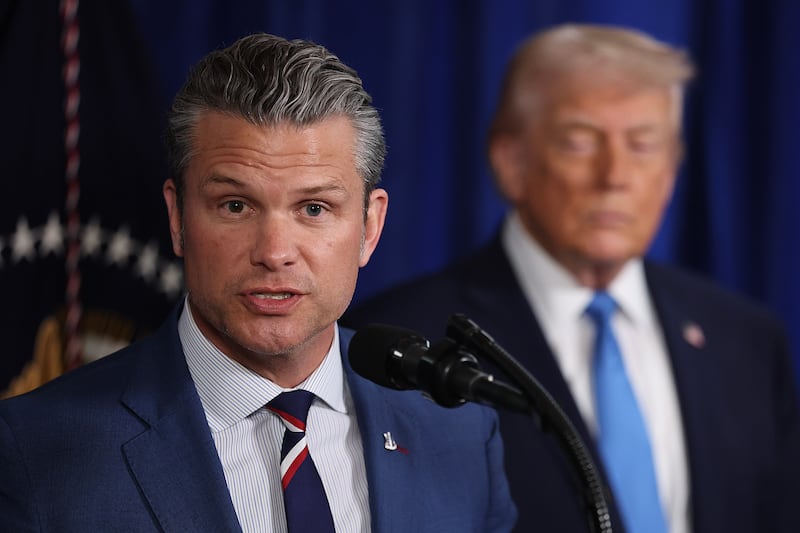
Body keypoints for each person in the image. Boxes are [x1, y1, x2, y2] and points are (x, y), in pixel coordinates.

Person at [0, 33, 517, 532]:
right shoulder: (34, 450)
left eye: (314, 208)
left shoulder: (459, 432)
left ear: (370, 227)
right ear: (178, 218)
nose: (274, 252)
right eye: (235, 206)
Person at [343, 23, 800, 533]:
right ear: (510, 161)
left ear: (672, 169)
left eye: (643, 145)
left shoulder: (746, 340)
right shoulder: (399, 344)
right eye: (581, 142)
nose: (615, 176)